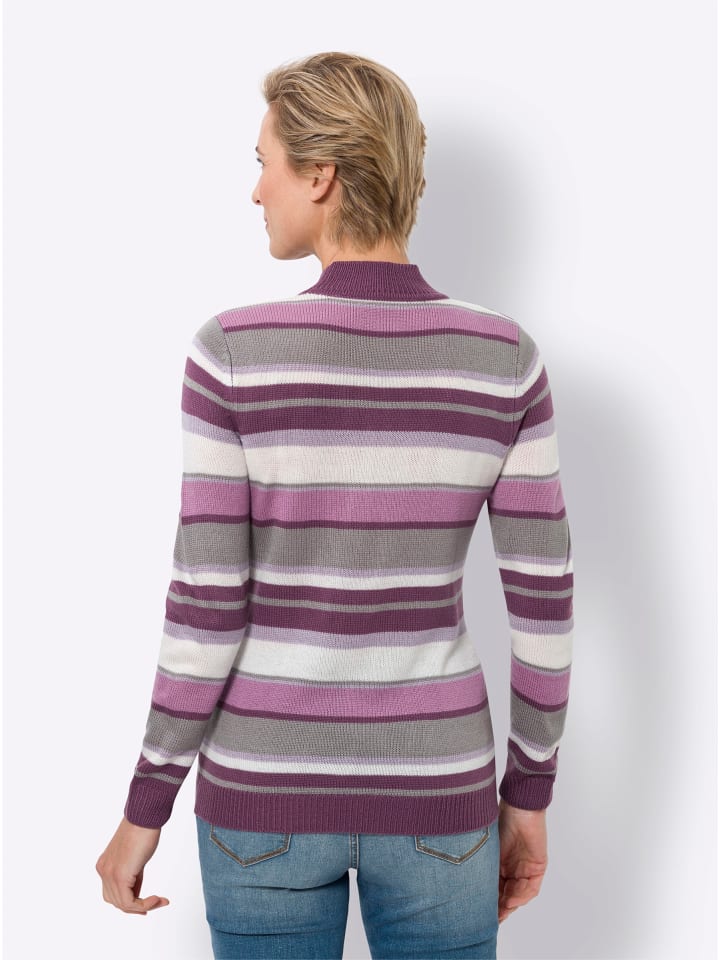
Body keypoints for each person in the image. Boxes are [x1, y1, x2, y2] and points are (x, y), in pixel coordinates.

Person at [96, 51, 574, 960]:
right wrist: (529, 796)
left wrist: (145, 804)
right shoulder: (505, 359)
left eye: (264, 162)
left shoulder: (232, 352)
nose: (256, 190)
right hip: (439, 795)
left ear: (319, 175)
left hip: (262, 796)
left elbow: (207, 604)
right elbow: (544, 607)